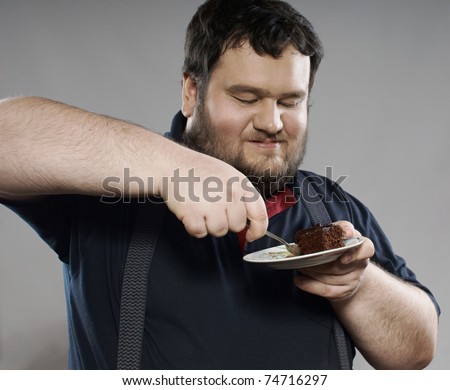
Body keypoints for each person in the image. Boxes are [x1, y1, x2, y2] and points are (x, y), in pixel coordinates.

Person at [0, 0, 439, 370]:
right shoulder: (106, 193)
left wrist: (358, 285)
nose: (271, 123)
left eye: (291, 101)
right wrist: (170, 164)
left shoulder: (334, 210)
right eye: (246, 98)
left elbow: (416, 353)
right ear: (192, 91)